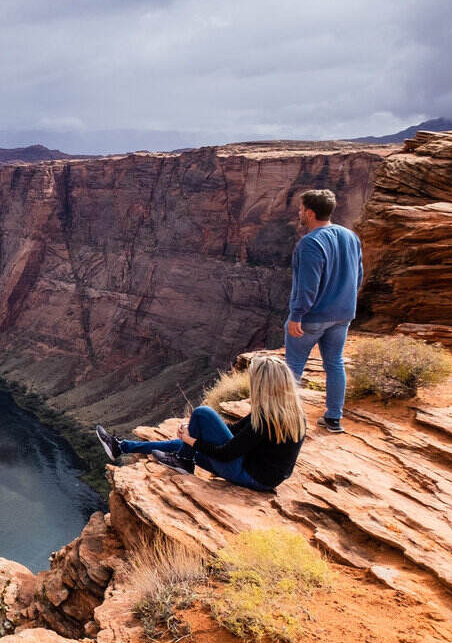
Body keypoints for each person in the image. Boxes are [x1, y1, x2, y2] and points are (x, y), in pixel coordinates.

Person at [94, 355, 306, 493]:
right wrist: (195, 435)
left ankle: (184, 461)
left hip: (250, 478)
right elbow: (234, 432)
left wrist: (192, 440)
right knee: (187, 438)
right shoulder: (287, 412)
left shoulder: (268, 418)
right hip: (255, 473)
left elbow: (225, 454)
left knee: (203, 413)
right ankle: (121, 447)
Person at [284, 188, 362, 434]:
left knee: (293, 367)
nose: (298, 213)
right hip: (343, 315)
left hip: (313, 317)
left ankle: (287, 422)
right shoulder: (350, 236)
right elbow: (358, 276)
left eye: (300, 209)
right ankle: (333, 419)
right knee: (335, 364)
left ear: (309, 212)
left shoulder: (310, 243)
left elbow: (308, 287)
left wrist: (297, 315)